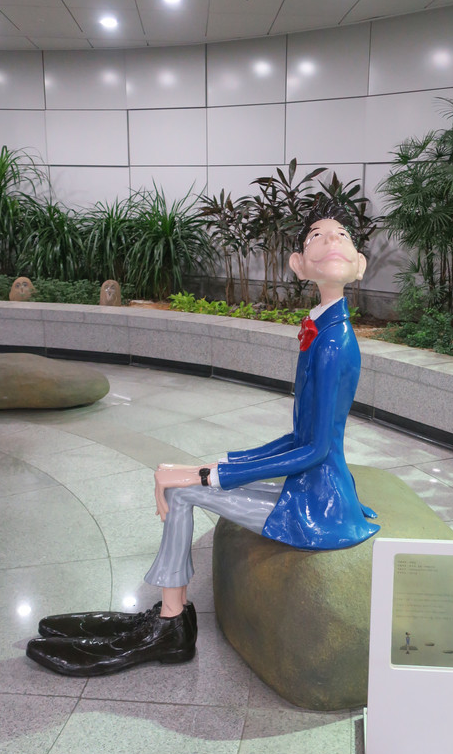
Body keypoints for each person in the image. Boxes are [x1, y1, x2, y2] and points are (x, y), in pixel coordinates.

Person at [27, 201, 380, 676]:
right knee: (187, 482)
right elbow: (300, 436)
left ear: (359, 264)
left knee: (182, 491)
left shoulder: (335, 341)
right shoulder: (321, 327)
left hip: (319, 507)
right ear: (298, 264)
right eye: (317, 234)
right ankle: (168, 617)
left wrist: (205, 475)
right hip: (311, 489)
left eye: (342, 235)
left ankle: (171, 625)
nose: (332, 239)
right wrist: (222, 463)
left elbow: (315, 449)